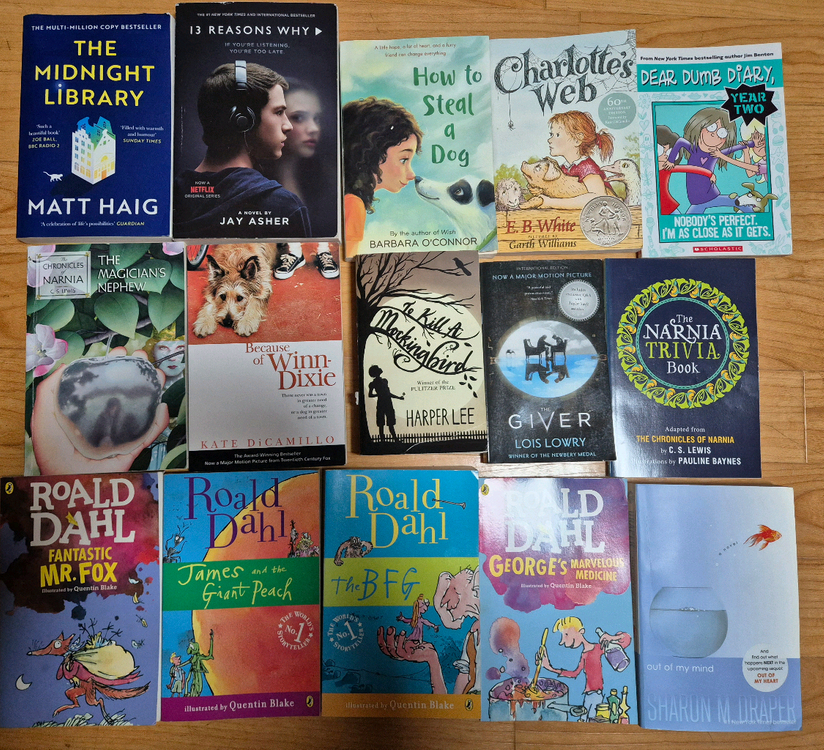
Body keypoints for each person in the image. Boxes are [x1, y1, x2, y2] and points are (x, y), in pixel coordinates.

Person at [174, 61, 311, 239]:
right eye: (278, 112)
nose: (288, 126)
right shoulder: (284, 207)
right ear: (243, 120)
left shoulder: (169, 197)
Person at [267, 80, 339, 279]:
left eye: (317, 119)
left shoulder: (329, 179)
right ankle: (294, 253)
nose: (314, 128)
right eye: (299, 118)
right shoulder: (249, 180)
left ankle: (322, 252)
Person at [342, 97, 423, 256]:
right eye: (403, 160)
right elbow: (346, 263)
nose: (412, 174)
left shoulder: (342, 197)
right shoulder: (353, 204)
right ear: (372, 154)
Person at [661, 107, 758, 213]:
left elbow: (734, 148)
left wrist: (748, 145)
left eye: (721, 133)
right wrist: (670, 160)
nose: (714, 134)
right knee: (690, 217)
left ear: (725, 139)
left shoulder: (716, 154)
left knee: (733, 201)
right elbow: (680, 141)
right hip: (695, 199)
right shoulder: (694, 149)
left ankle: (752, 210)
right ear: (699, 127)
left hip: (710, 194)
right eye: (711, 127)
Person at [537, 616, 631, 721]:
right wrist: (550, 668)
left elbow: (626, 639)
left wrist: (612, 638)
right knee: (583, 719)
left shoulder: (598, 648)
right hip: (588, 695)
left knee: (592, 720)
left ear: (581, 631)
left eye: (566, 634)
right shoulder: (584, 655)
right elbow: (575, 673)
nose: (563, 641)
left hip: (596, 694)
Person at [538, 111, 615, 209]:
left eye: (557, 135)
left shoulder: (587, 168)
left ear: (577, 140)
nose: (549, 140)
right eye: (551, 134)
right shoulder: (564, 168)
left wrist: (551, 202)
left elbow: (598, 198)